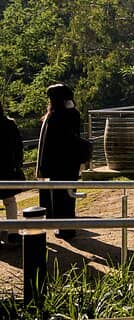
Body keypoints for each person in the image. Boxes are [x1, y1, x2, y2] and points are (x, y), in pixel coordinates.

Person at [37, 84, 84, 239]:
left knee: (60, 196)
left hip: (58, 163)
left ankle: (64, 228)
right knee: (69, 195)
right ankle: (67, 227)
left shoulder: (56, 115)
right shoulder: (73, 113)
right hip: (71, 162)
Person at [0, 101, 26, 246]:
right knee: (10, 201)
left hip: (6, 167)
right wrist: (18, 163)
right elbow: (18, 146)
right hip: (7, 168)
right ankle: (13, 233)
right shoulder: (9, 124)